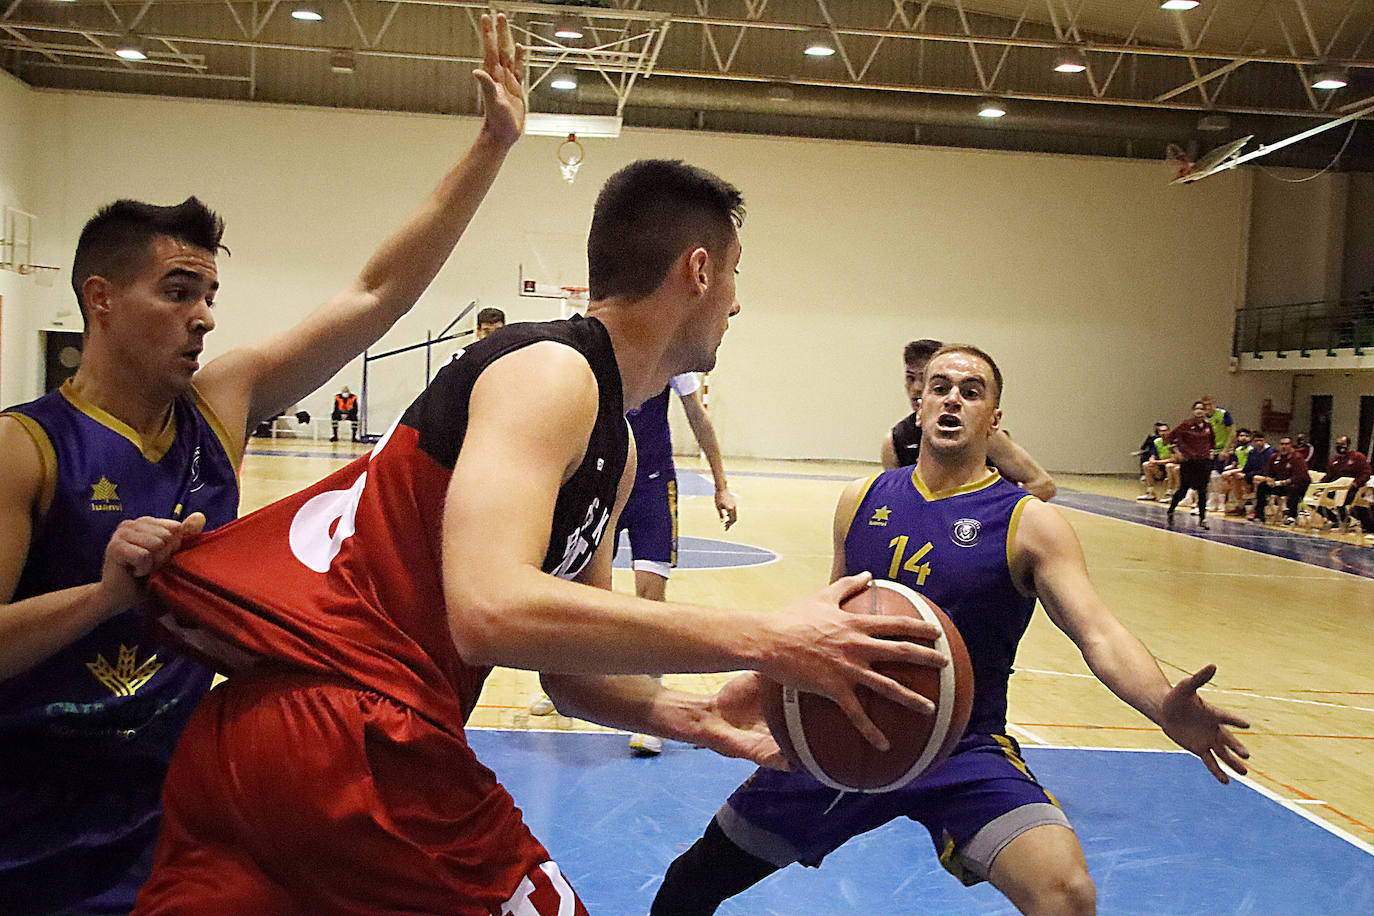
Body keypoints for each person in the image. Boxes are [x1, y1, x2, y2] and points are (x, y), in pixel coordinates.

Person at [126, 155, 945, 913]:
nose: (737, 301)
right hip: (359, 736)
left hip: (266, 743)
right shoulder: (552, 372)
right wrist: (769, 637)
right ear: (698, 269)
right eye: (734, 275)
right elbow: (488, 609)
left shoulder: (615, 446)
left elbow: (567, 674)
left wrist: (695, 717)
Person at [0, 14, 535, 914]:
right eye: (178, 292)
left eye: (210, 293)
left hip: (180, 806)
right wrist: (102, 596)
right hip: (30, 820)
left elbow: (375, 295)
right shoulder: (26, 448)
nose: (204, 315)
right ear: (98, 297)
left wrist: (491, 145)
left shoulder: (221, 402)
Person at [650, 345, 1250, 916]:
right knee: (689, 883)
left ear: (995, 419)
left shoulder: (1028, 523)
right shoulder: (860, 499)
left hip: (963, 746)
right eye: (940, 388)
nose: (952, 400)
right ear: (919, 403)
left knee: (1066, 895)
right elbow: (823, 622)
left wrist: (1159, 704)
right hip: (847, 733)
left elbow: (1100, 633)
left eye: (971, 391)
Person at [531, 370, 740, 758]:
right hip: (603, 480)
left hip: (653, 486)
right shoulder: (598, 361)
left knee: (649, 595)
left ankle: (648, 709)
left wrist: (721, 483)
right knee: (576, 590)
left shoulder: (676, 365)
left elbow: (698, 417)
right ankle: (563, 674)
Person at [880, 338, 1055, 502]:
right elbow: (899, 502)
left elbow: (1043, 485)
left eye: (924, 379)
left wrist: (988, 514)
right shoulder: (895, 442)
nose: (916, 388)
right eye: (911, 378)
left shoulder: (986, 436)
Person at [1165, 401, 1215, 529]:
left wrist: (1211, 453)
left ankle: (1202, 518)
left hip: (1203, 462)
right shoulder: (1185, 425)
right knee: (1183, 490)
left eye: (1202, 409)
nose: (1199, 411)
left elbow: (1212, 443)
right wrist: (1177, 452)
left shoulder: (1208, 426)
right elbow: (1170, 439)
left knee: (1203, 491)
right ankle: (1171, 509)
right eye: (1197, 408)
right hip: (1189, 462)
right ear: (1193, 410)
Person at [1252, 435, 1310, 524]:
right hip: (1280, 485)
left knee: (1294, 488)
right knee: (1262, 487)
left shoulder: (1297, 457)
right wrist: (1269, 480)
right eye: (1282, 444)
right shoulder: (1274, 457)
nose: (1284, 446)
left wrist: (1285, 482)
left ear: (1291, 445)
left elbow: (1300, 476)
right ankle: (1259, 515)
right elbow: (1269, 473)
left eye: (1286, 444)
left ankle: (1291, 516)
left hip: (1297, 486)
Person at [1318, 436, 1371, 531]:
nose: (1340, 446)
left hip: (1352, 489)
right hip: (1335, 488)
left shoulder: (1358, 457)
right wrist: (1318, 485)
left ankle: (1345, 521)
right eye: (1337, 444)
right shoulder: (1333, 460)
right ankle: (1336, 519)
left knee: (1342, 498)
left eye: (1342, 444)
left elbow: (1366, 473)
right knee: (1315, 498)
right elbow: (1328, 476)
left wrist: (1356, 484)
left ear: (1348, 445)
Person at [1216, 428, 1255, 515]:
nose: (1244, 438)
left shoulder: (1251, 450)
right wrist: (1229, 468)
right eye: (1241, 436)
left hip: (1248, 472)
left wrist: (1231, 471)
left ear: (1250, 439)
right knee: (1224, 475)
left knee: (1234, 476)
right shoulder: (1238, 450)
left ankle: (1241, 505)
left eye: (1246, 436)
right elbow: (1236, 463)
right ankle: (1225, 502)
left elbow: (1247, 467)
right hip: (1239, 470)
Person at [1136, 421, 1175, 502]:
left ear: (1169, 431)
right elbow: (1153, 454)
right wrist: (1152, 460)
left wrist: (1157, 462)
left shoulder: (1173, 442)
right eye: (1161, 431)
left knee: (1170, 466)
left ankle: (1171, 493)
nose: (1163, 433)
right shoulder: (1157, 442)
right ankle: (1150, 492)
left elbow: (1173, 459)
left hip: (1172, 465)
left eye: (1165, 431)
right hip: (1160, 466)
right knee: (1146, 465)